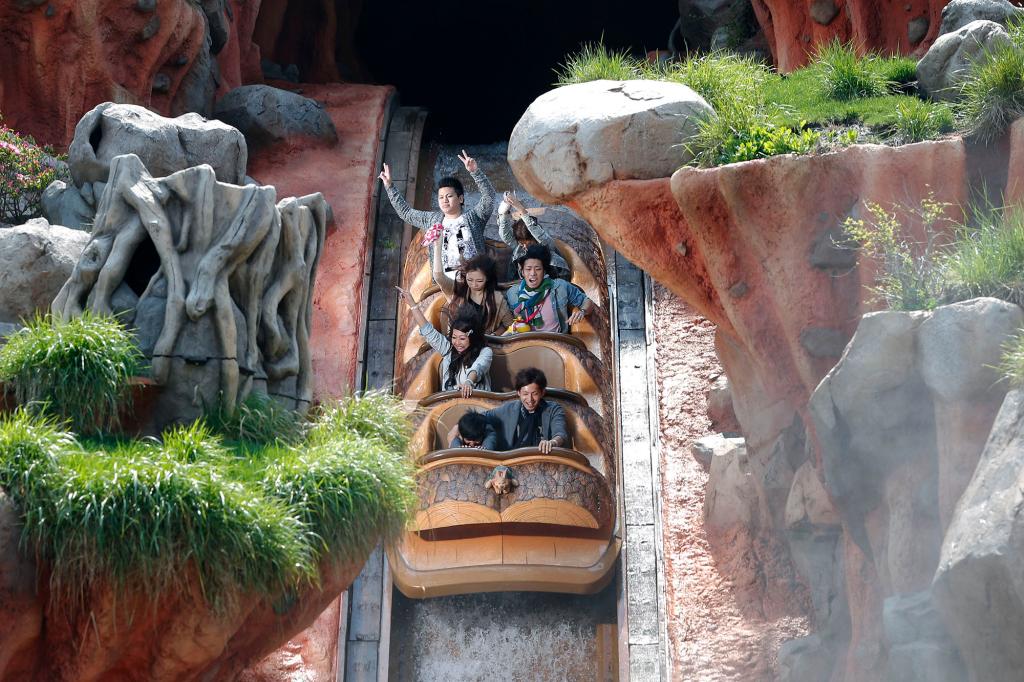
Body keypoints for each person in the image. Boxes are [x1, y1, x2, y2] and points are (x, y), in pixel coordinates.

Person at [379, 150, 495, 277]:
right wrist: (390, 186)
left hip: (474, 280)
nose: (444, 200)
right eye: (441, 197)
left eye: (449, 196)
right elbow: (406, 213)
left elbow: (489, 197)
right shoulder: (432, 219)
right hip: (444, 283)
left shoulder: (474, 217)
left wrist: (475, 172)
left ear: (460, 199)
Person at [397, 286, 492, 396]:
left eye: (462, 338)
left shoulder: (486, 352)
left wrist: (468, 382)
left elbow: (478, 368)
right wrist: (412, 304)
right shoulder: (448, 349)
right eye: (454, 337)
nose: (457, 343)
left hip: (478, 403)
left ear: (472, 338)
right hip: (450, 403)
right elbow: (428, 331)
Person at [506, 244, 593, 334]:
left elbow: (587, 302)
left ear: (544, 271)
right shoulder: (512, 293)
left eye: (538, 269)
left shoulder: (560, 287)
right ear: (522, 272)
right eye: (528, 269)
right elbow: (505, 323)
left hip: (556, 343)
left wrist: (582, 312)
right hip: (526, 344)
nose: (533, 273)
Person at [481, 368, 570, 454]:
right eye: (525, 394)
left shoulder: (553, 409)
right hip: (512, 460)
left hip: (542, 459)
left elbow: (560, 434)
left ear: (542, 392)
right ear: (519, 393)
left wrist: (552, 443)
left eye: (534, 394)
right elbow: (481, 418)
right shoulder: (509, 408)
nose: (530, 399)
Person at [433, 247, 513, 336]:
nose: (474, 285)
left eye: (479, 281)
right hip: (457, 342)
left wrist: (494, 335)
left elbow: (509, 325)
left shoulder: (497, 299)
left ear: (487, 279)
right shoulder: (459, 289)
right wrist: (437, 246)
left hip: (485, 344)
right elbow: (438, 277)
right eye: (470, 280)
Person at [498, 190, 570, 280]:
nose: (524, 247)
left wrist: (520, 208)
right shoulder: (521, 248)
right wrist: (503, 211)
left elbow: (534, 229)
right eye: (522, 243)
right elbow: (505, 235)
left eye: (529, 243)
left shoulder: (546, 246)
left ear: (535, 238)